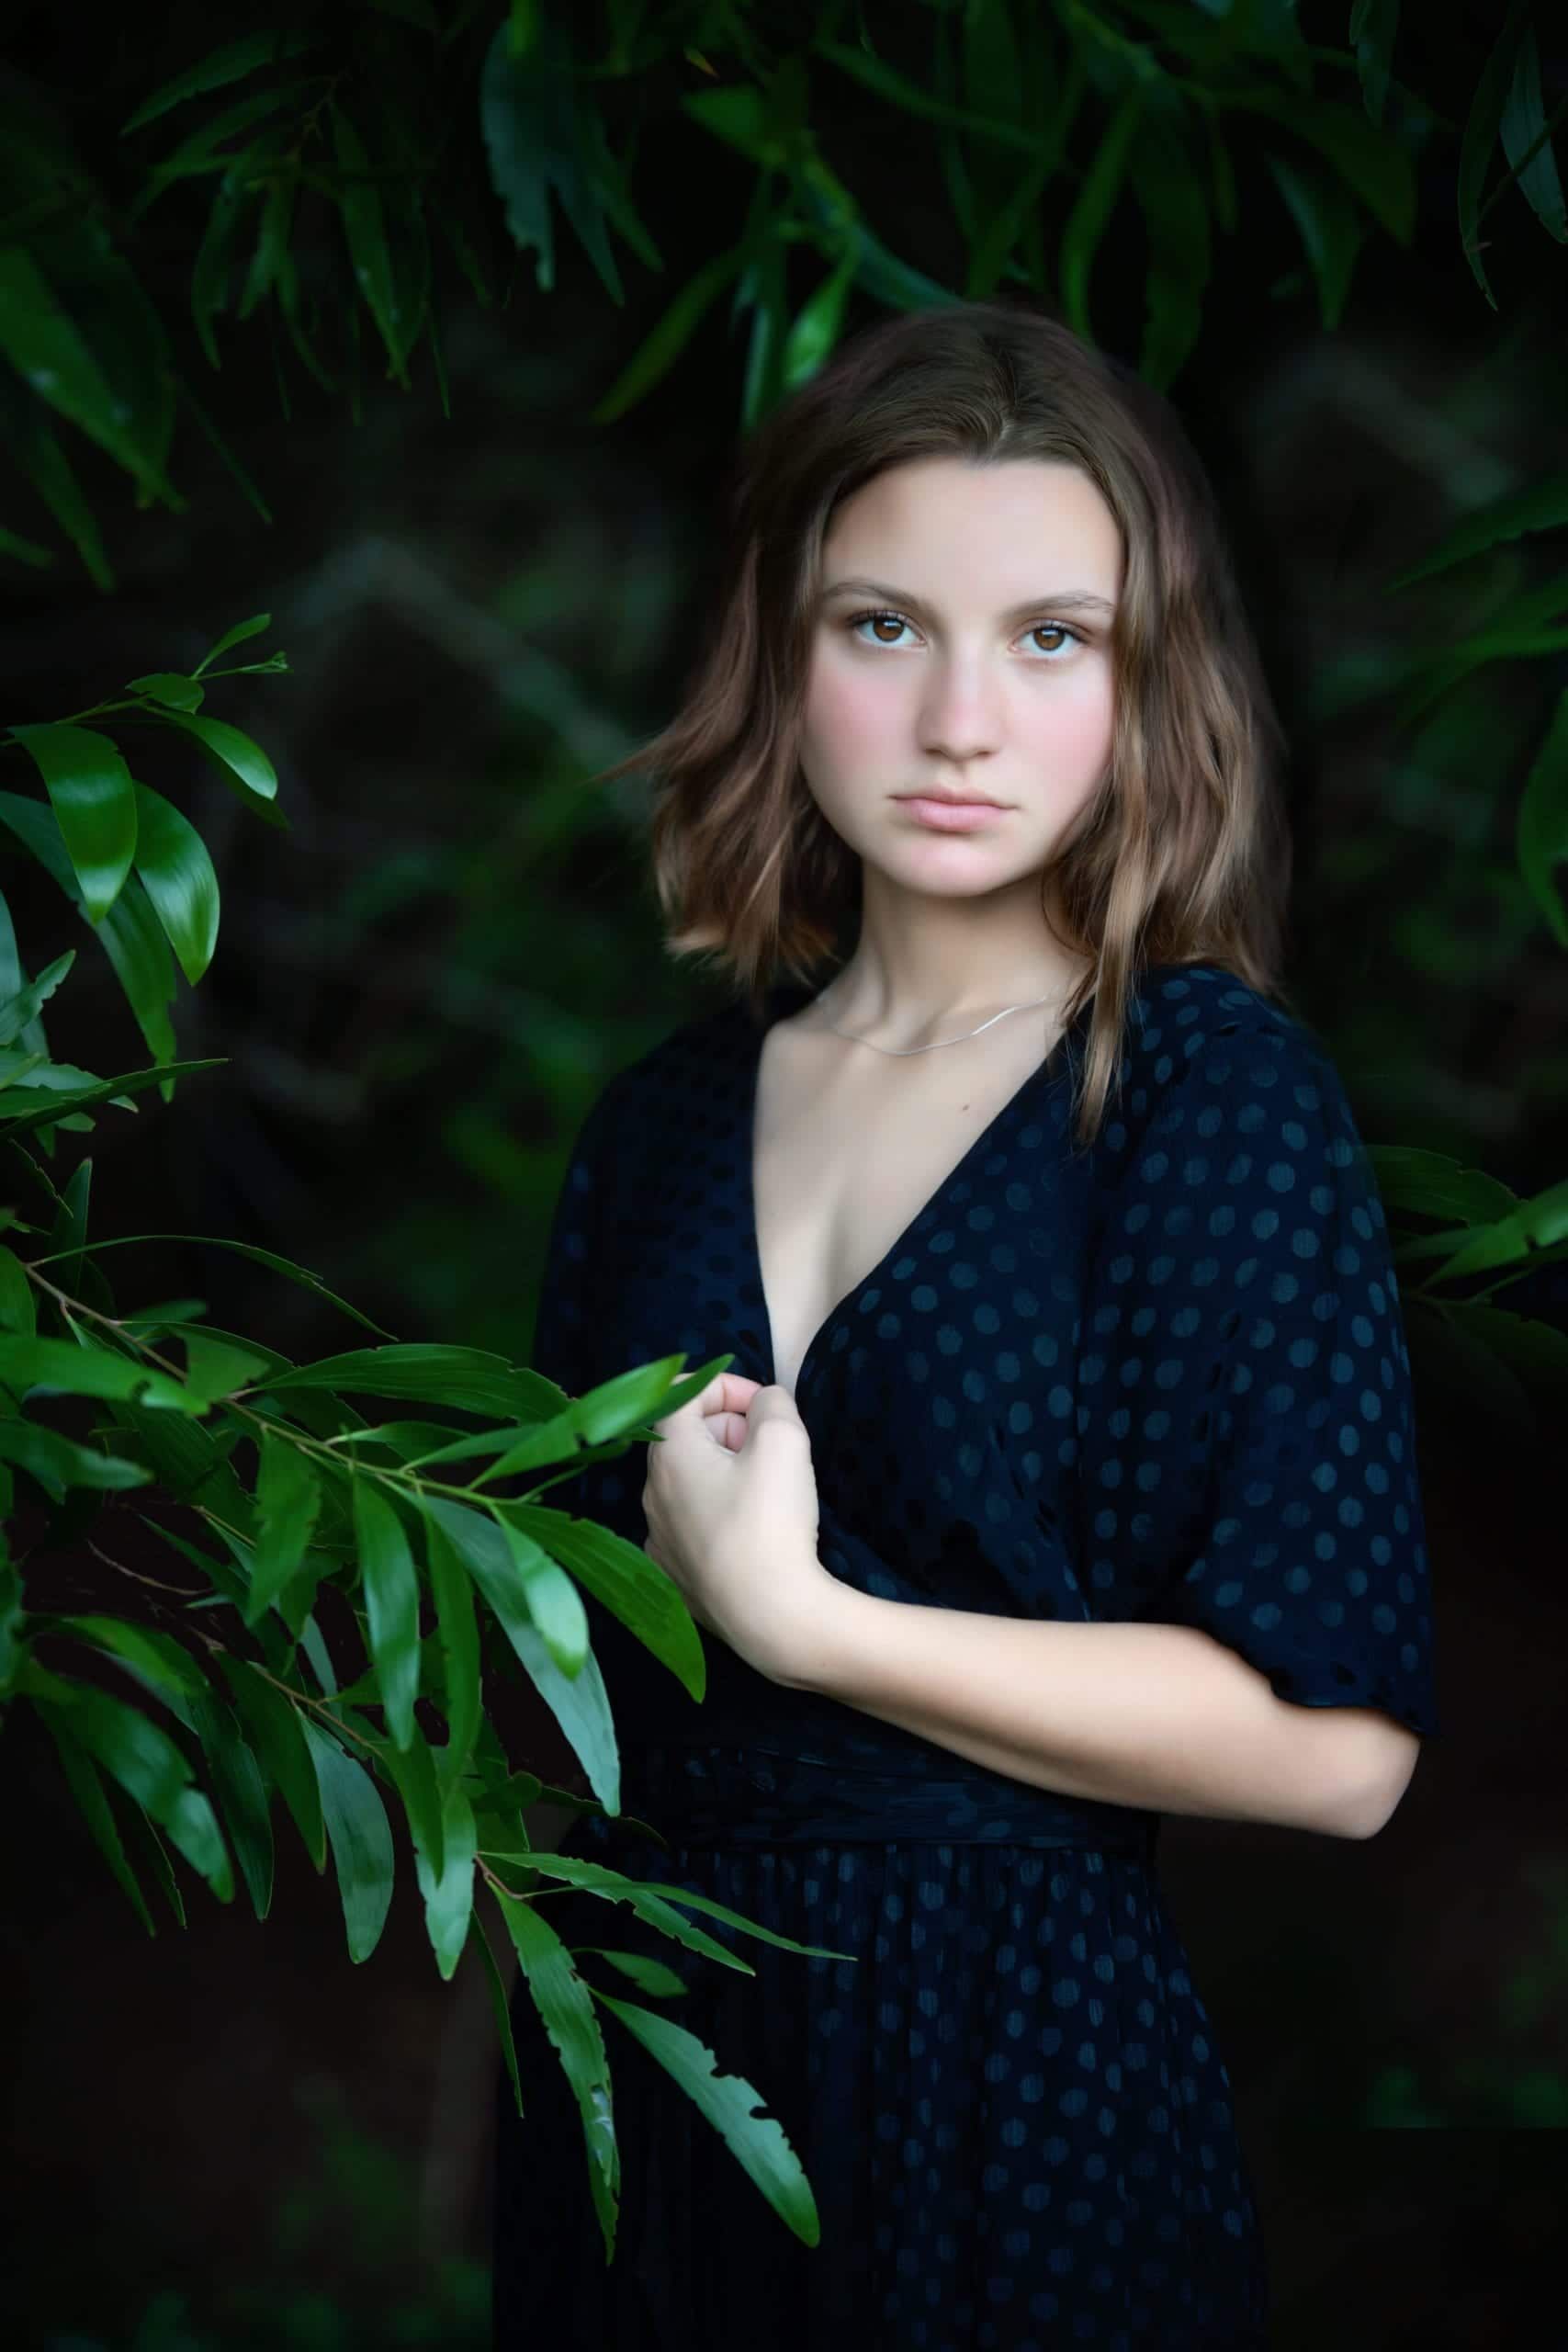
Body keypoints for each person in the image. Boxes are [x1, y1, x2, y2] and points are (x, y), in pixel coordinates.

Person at [491, 298, 1440, 2351]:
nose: (956, 724)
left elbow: (1340, 1751)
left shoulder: (1196, 1092)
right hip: (640, 2060)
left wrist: (813, 1625)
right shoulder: (657, 1121)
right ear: (782, 651)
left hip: (1009, 2074)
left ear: (1143, 679)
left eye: (1047, 639)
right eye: (880, 626)